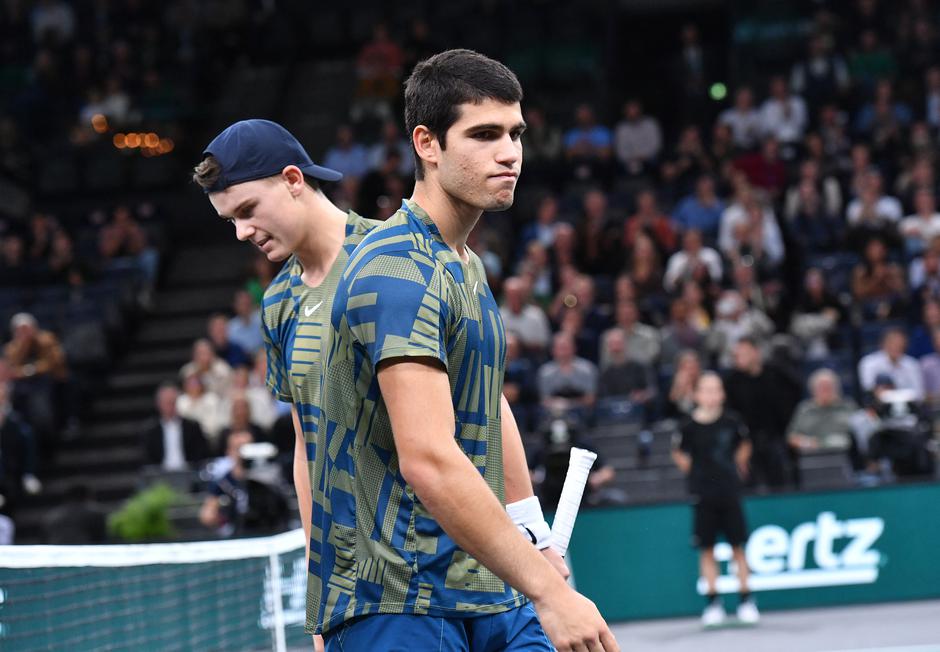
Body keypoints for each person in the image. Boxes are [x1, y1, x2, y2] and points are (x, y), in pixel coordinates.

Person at [318, 50, 616, 651]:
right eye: (484, 134)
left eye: (516, 133)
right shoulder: (396, 270)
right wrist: (551, 594)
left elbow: (488, 404)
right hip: (398, 600)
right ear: (427, 144)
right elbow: (427, 458)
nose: (509, 152)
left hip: (482, 587)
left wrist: (531, 531)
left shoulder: (466, 266)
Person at [194, 118, 380, 650]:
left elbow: (482, 404)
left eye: (247, 211)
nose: (241, 233)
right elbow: (308, 451)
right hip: (358, 585)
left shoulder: (396, 257)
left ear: (294, 179)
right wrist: (320, 593)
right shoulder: (277, 306)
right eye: (229, 220)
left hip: (453, 566)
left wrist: (530, 530)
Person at [672, 372, 759, 627]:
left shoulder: (733, 421)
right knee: (706, 549)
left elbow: (745, 444)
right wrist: (697, 473)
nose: (711, 395)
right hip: (703, 495)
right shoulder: (687, 426)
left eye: (716, 390)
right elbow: (678, 453)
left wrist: (737, 465)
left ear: (722, 394)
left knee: (738, 547)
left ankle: (746, 601)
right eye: (706, 390)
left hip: (730, 492)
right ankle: (713, 603)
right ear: (697, 394)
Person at [142, 382, 209, 471]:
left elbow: (201, 455)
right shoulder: (150, 431)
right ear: (159, 404)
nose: (170, 406)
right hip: (161, 476)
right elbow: (147, 459)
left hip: (189, 474)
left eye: (173, 402)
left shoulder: (192, 427)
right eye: (166, 402)